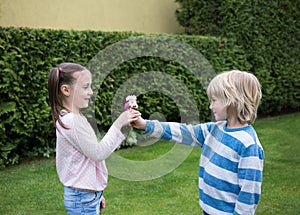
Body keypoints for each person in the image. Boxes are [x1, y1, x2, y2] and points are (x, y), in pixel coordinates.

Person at [133, 70, 264, 215]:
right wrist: (145, 125)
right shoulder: (214, 130)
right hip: (208, 210)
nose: (210, 106)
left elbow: (249, 194)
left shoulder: (249, 145)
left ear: (232, 100)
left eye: (214, 100)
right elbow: (181, 132)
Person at [47, 62, 140, 215]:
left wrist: (97, 192)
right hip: (82, 198)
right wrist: (118, 124)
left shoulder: (74, 117)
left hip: (86, 196)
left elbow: (86, 159)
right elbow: (98, 153)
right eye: (85, 87)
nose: (90, 92)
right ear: (66, 90)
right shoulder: (72, 120)